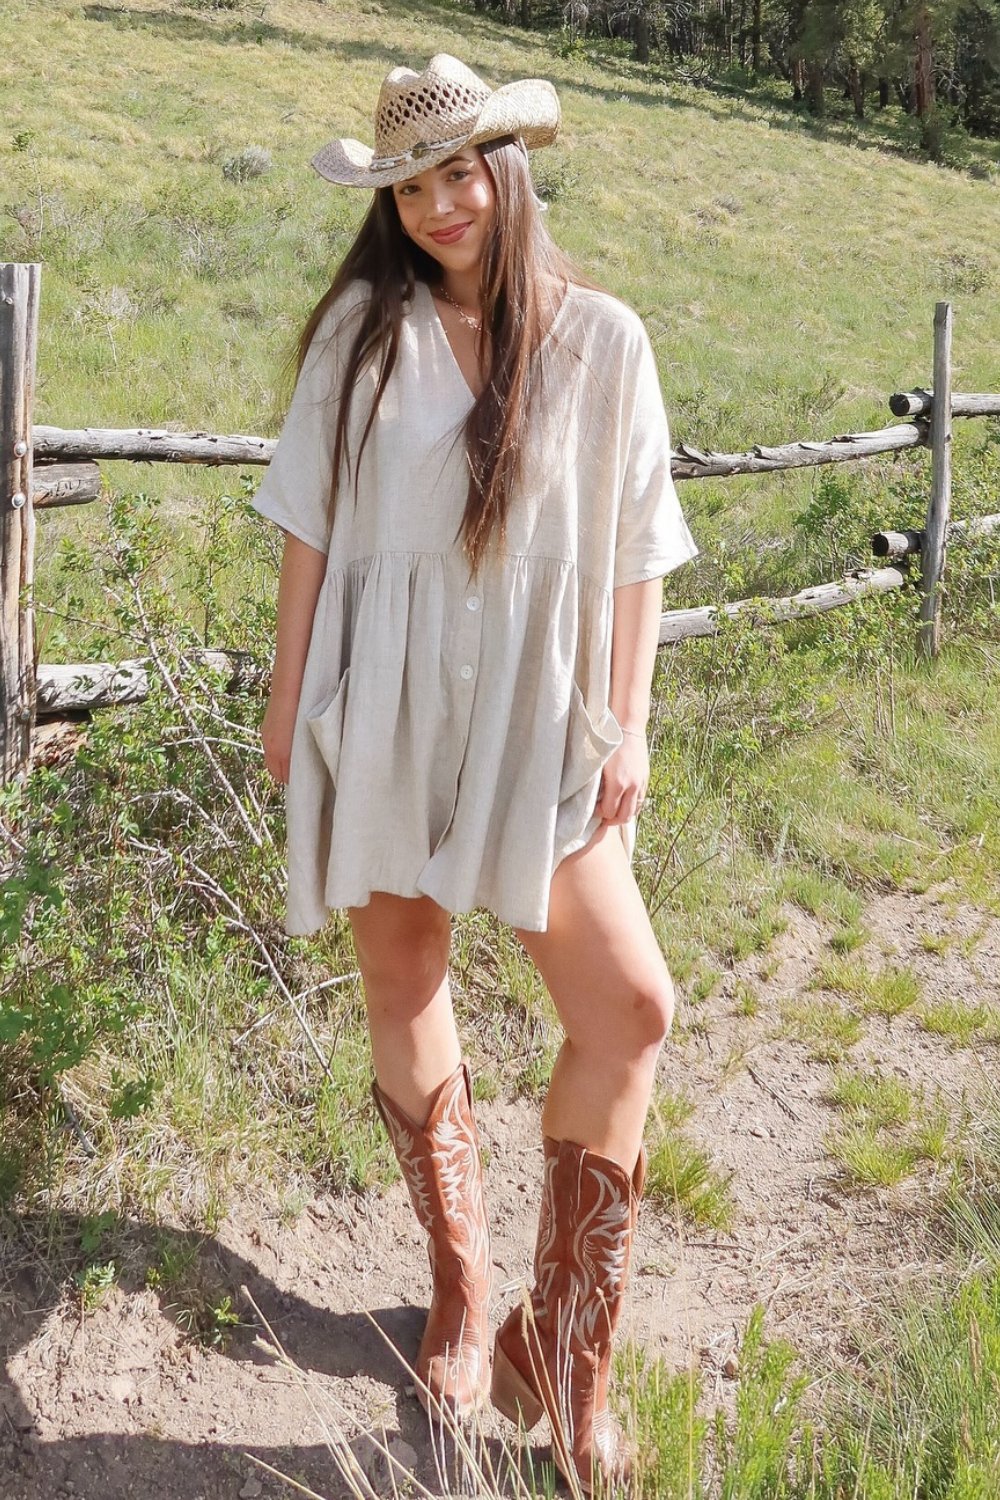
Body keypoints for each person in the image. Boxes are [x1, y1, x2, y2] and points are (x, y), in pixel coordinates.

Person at [252, 53, 699, 1495]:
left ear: (509, 170)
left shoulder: (603, 339)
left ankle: (560, 1352)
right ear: (389, 203)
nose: (442, 204)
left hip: (537, 714)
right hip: (379, 704)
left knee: (629, 1007)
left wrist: (628, 718)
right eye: (413, 185)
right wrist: (286, 698)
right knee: (403, 975)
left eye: (462, 173)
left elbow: (637, 547)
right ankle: (459, 1287)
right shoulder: (362, 343)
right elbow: (308, 528)